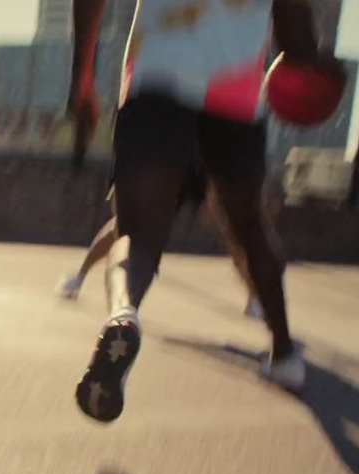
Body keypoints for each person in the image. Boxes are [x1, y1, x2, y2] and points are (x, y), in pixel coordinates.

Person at [68, 0, 330, 422]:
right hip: (236, 91)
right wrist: (316, 65)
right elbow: (297, 41)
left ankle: (123, 314)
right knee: (249, 227)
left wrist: (81, 77)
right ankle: (284, 355)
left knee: (138, 235)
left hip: (158, 76)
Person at [59, 164, 262, 319]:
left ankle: (255, 295)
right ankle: (82, 278)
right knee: (124, 223)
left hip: (200, 154)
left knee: (229, 228)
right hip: (167, 152)